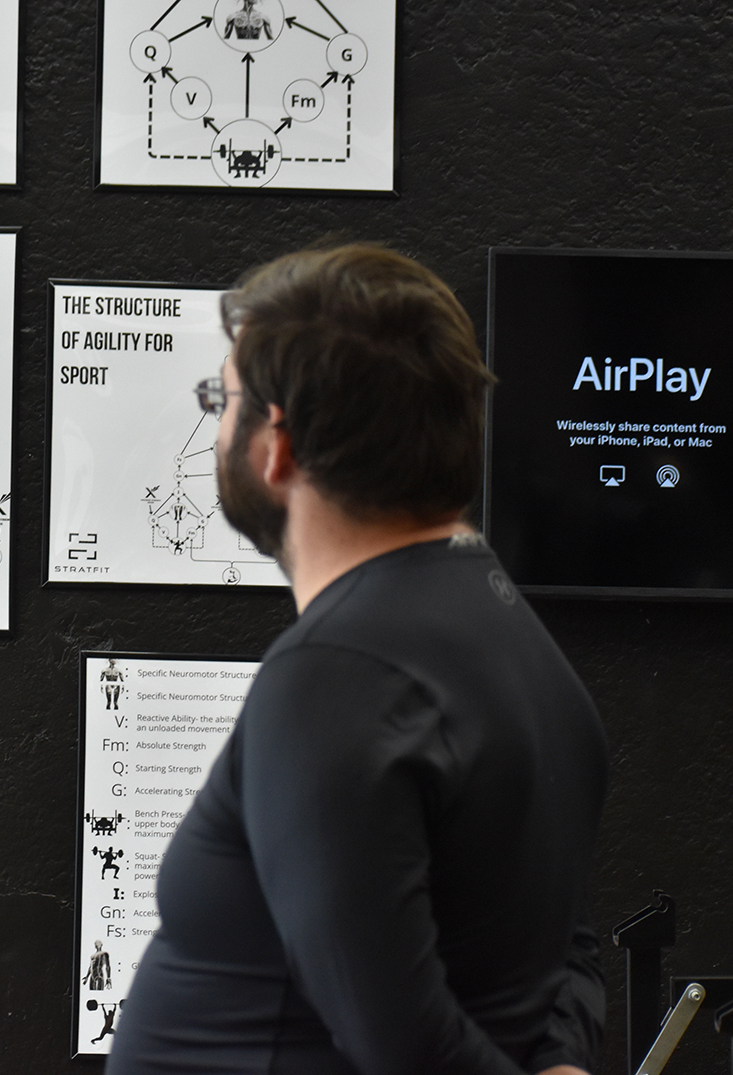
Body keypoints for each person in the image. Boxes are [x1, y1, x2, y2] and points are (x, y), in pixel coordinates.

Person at [107, 245, 607, 1075]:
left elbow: (403, 1045)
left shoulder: (335, 669)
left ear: (279, 445)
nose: (216, 424)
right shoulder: (517, 638)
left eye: (220, 401)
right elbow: (568, 951)